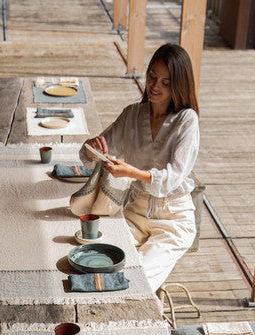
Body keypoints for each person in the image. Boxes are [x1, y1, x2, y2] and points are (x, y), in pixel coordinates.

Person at [80, 43, 199, 293]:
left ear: (178, 85)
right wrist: (93, 147)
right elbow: (88, 155)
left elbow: (172, 179)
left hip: (173, 221)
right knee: (95, 261)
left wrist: (131, 173)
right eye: (152, 77)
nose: (155, 86)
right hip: (134, 212)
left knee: (134, 282)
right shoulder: (132, 114)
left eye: (166, 82)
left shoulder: (186, 120)